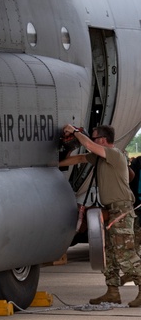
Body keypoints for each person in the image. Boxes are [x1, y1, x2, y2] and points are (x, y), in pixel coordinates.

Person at [58, 124, 141, 306]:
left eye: (95, 139)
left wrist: (76, 132)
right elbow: (79, 158)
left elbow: (88, 145)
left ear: (102, 140)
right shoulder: (100, 159)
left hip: (121, 211)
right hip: (111, 211)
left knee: (126, 256)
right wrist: (56, 163)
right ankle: (112, 292)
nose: (93, 141)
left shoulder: (114, 154)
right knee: (110, 256)